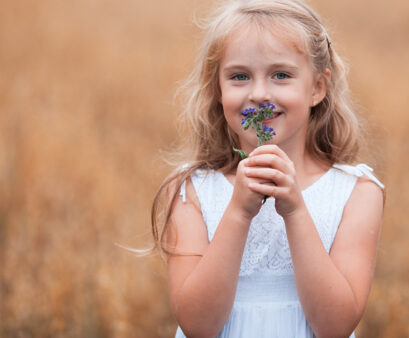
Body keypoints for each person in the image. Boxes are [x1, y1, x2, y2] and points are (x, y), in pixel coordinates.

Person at [150, 0, 385, 337]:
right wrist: (238, 212)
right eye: (240, 76)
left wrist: (295, 210)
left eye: (281, 75)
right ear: (217, 88)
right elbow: (197, 326)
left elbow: (335, 326)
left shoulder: (356, 193)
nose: (259, 93)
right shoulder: (190, 191)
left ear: (318, 87)